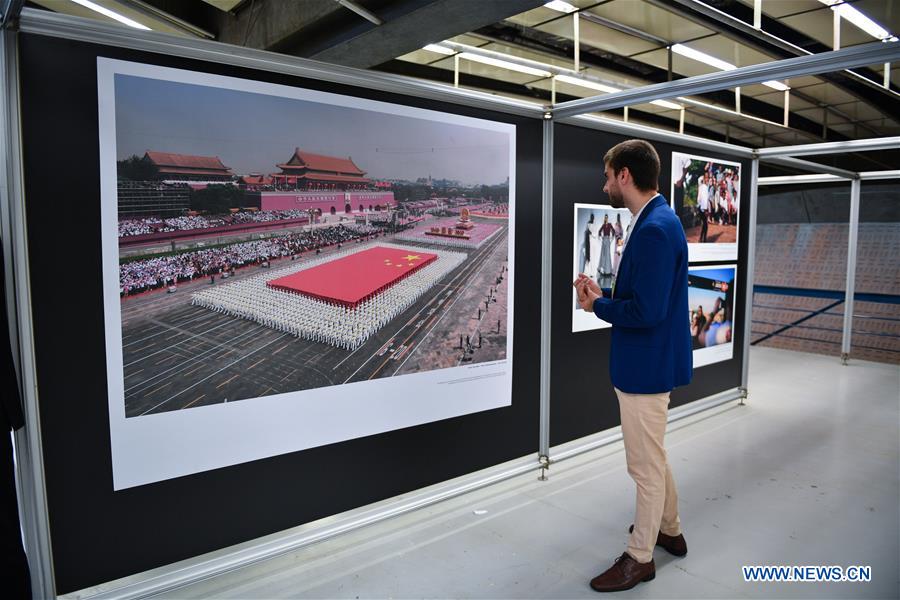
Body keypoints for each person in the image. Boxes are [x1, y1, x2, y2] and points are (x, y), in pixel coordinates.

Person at [573, 139, 692, 593]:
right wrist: (603, 298)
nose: (605, 184)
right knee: (654, 456)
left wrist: (598, 307)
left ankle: (640, 556)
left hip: (645, 367)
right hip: (648, 362)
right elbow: (647, 301)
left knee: (642, 466)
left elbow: (647, 312)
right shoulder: (655, 222)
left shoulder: (656, 229)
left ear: (625, 175)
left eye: (608, 176)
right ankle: (671, 529)